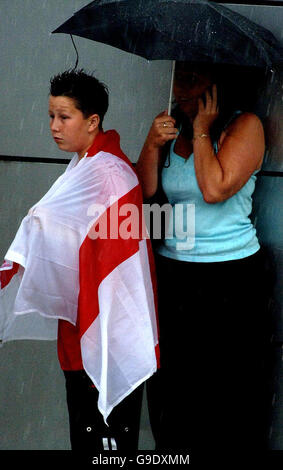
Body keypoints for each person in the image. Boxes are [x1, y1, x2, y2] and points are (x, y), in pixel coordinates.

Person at [0, 69, 158, 452]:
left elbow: (109, 253)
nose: (54, 126)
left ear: (93, 121)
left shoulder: (108, 173)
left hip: (105, 330)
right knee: (89, 437)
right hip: (83, 325)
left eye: (64, 116)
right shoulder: (88, 163)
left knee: (102, 443)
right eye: (50, 116)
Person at [136, 62, 272, 455]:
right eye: (178, 77)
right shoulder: (169, 124)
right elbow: (146, 190)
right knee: (173, 390)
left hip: (230, 277)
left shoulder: (244, 126)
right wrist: (150, 142)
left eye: (193, 79)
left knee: (228, 392)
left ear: (217, 84)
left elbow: (214, 189)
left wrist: (201, 130)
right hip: (175, 273)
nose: (181, 88)